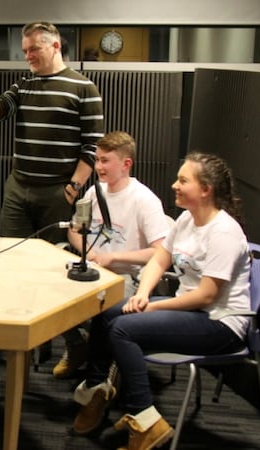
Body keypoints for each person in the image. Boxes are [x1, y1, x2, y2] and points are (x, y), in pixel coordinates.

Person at [70, 152, 251, 450]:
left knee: (123, 329)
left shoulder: (225, 232)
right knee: (107, 314)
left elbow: (206, 295)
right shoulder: (186, 220)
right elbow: (159, 260)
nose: (174, 185)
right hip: (193, 313)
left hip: (220, 324)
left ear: (205, 189)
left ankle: (145, 422)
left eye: (183, 180)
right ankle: (96, 391)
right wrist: (142, 295)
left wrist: (152, 306)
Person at [0, 21, 105, 244]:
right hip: (18, 189)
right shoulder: (24, 84)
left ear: (55, 46)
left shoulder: (84, 88)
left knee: (52, 259)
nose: (28, 56)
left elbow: (93, 146)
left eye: (34, 49)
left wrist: (74, 187)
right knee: (12, 254)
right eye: (25, 50)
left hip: (57, 192)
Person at [54, 131, 169, 379]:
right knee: (51, 293)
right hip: (94, 270)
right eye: (97, 160)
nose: (98, 167)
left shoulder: (145, 200)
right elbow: (74, 230)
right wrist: (89, 251)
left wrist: (114, 258)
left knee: (106, 309)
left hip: (127, 278)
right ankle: (77, 345)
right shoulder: (95, 193)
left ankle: (105, 370)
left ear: (126, 164)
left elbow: (161, 252)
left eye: (105, 161)